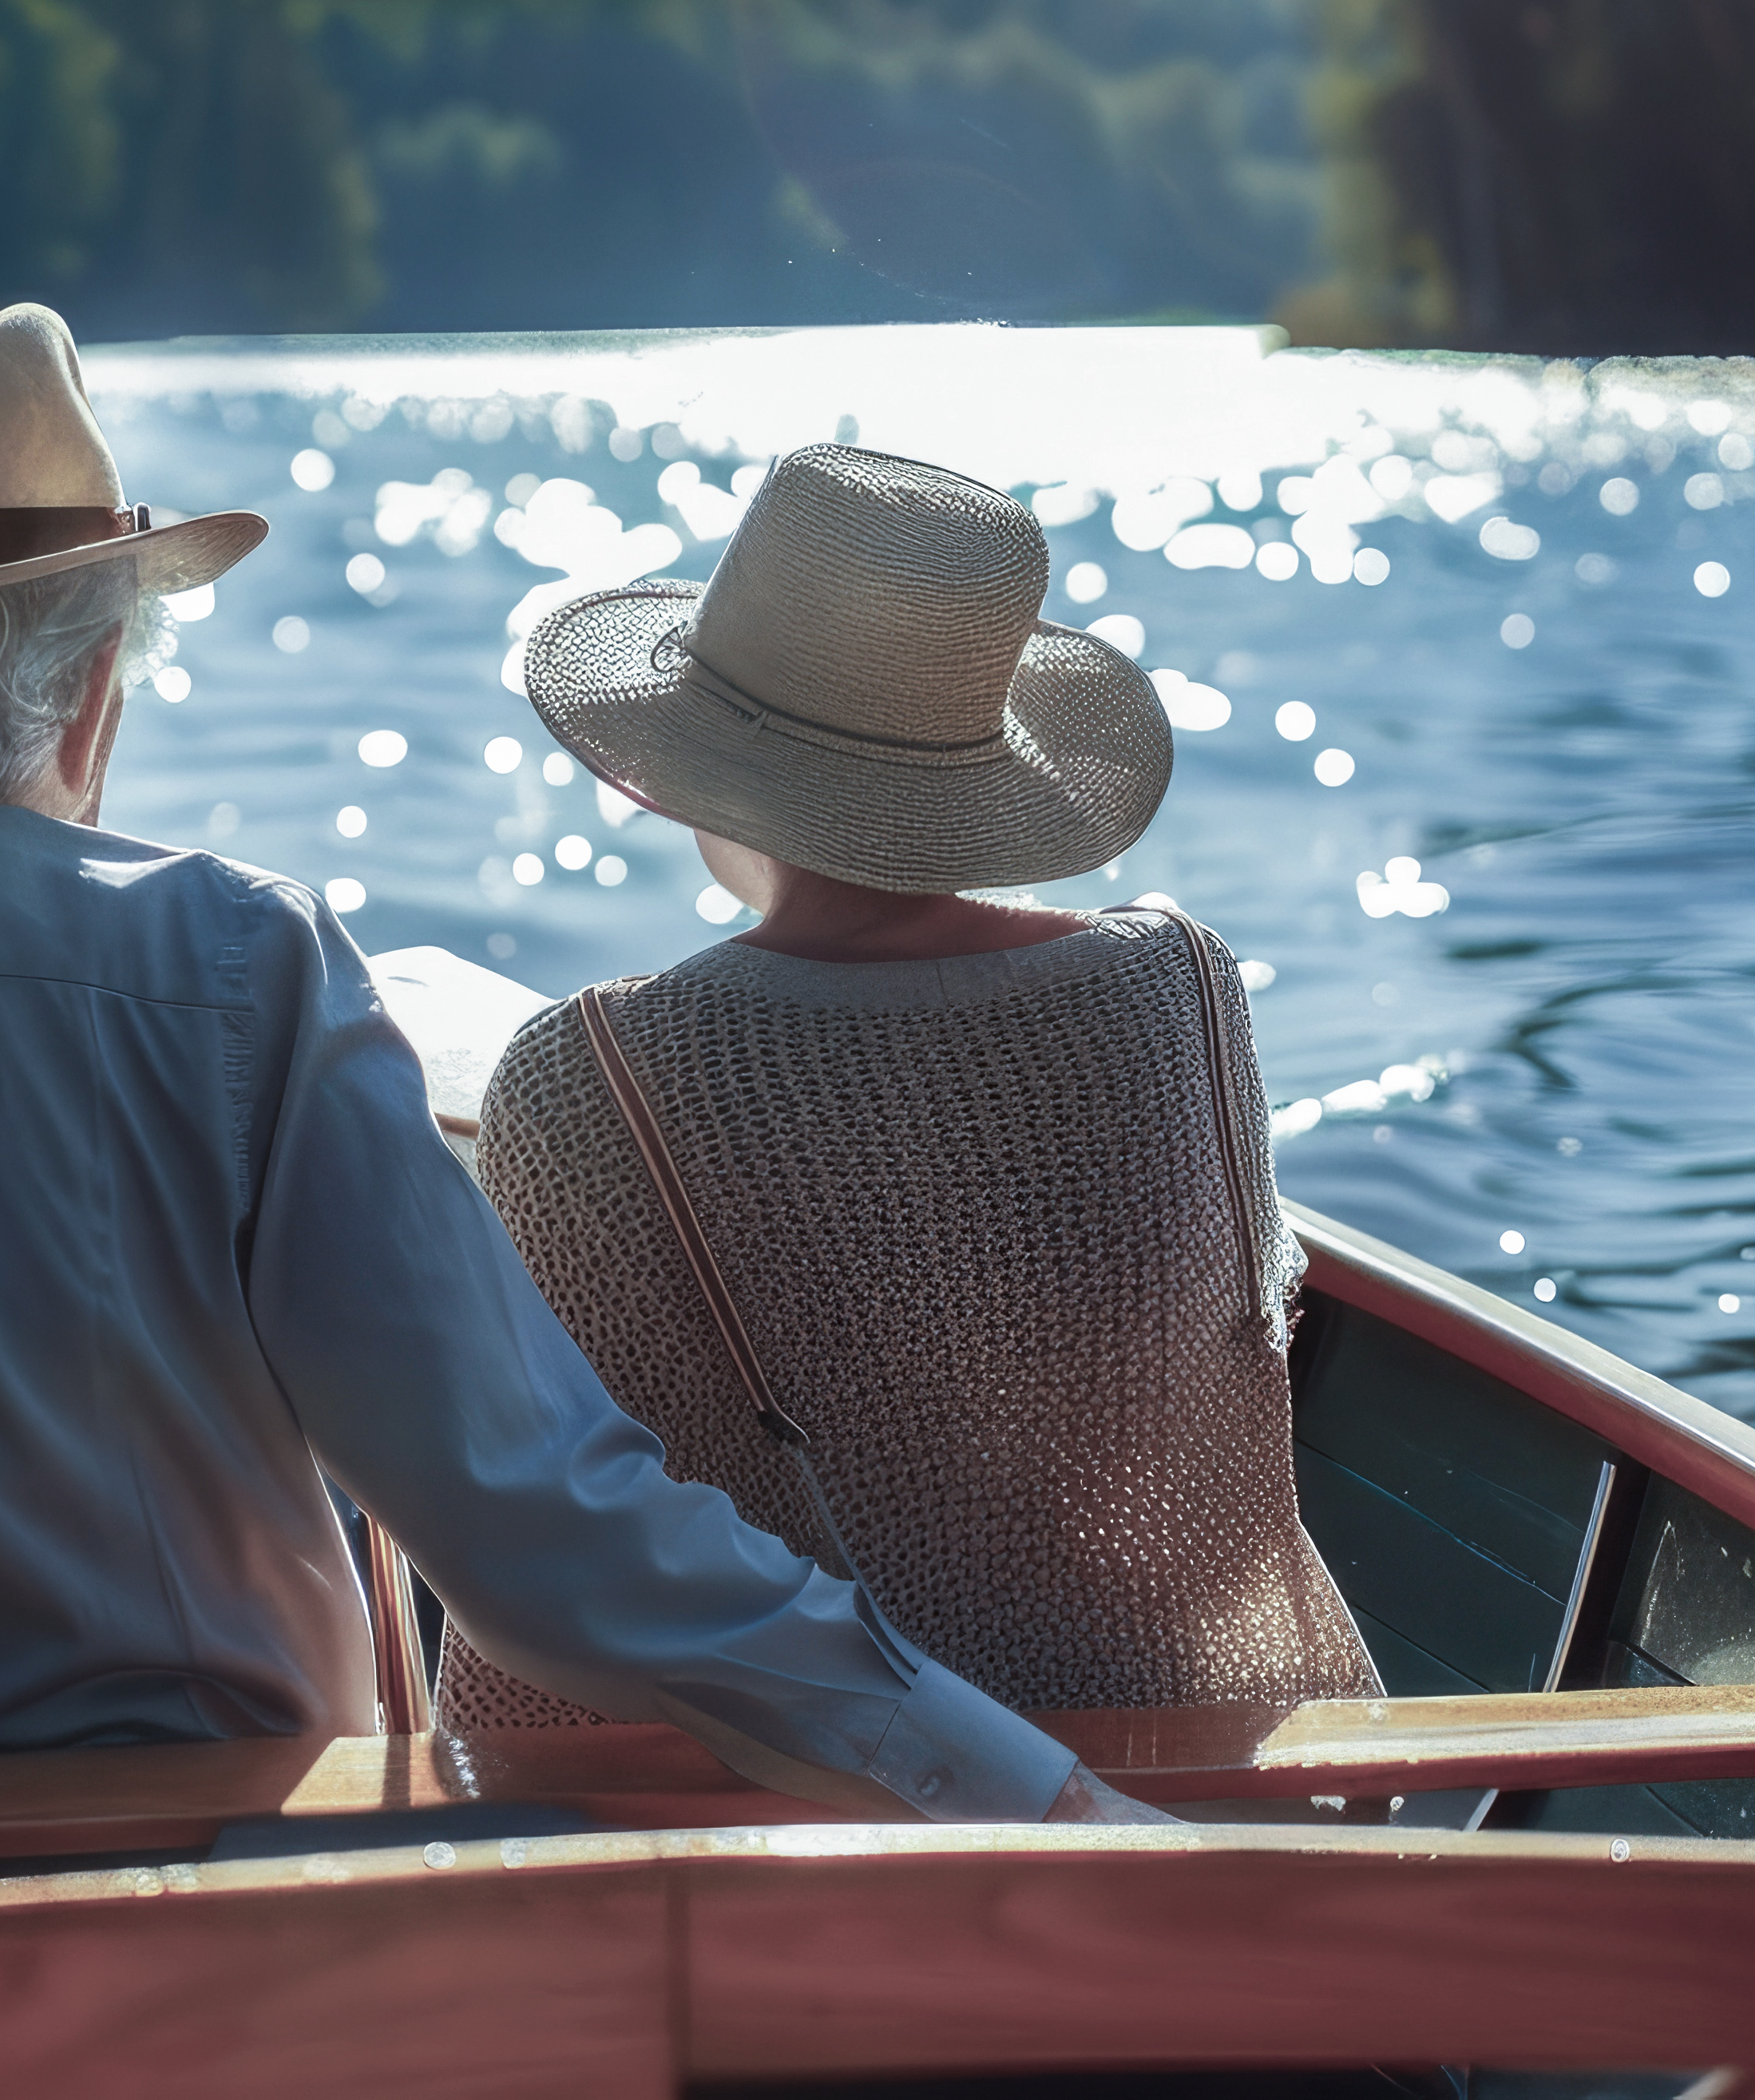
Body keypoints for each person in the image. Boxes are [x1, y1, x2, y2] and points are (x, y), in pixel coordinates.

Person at [0, 304, 1158, 1830]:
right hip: (174, 1943)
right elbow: (543, 1537)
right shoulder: (230, 964)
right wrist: (1029, 1794)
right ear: (92, 683)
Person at [434, 443, 1380, 1731]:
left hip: (845, 1794)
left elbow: (562, 1534)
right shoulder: (1182, 989)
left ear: (703, 762)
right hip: (1194, 1745)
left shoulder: (589, 1079)